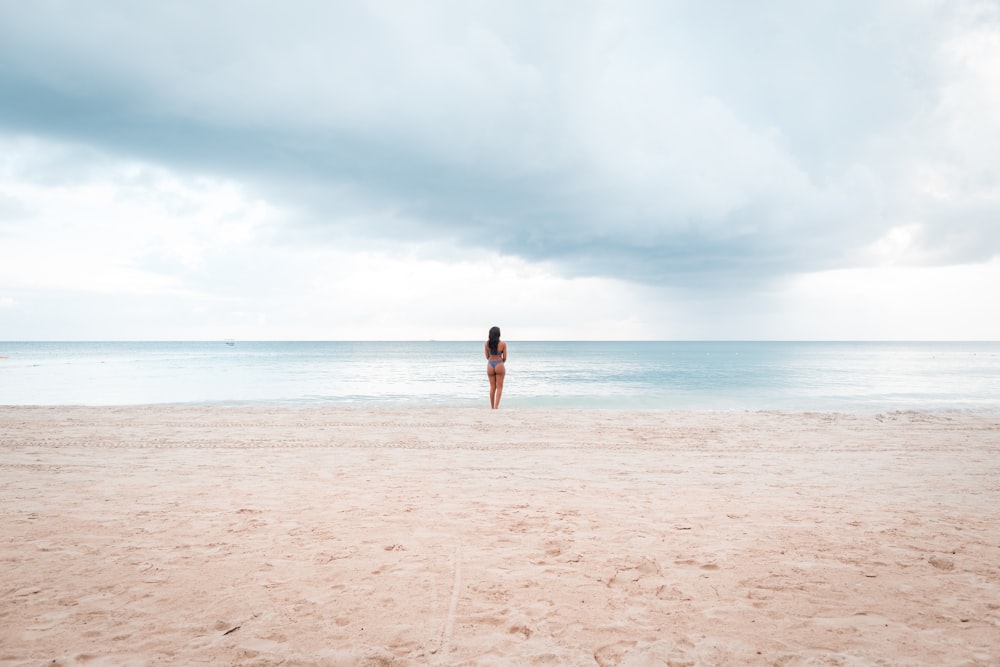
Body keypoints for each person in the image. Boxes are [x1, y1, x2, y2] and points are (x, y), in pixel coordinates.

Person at [485, 326, 507, 409]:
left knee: (492, 387)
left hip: (490, 364)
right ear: (499, 334)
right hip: (499, 364)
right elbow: (505, 358)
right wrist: (500, 362)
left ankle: (492, 407)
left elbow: (487, 356)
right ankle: (496, 407)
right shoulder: (503, 344)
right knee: (499, 387)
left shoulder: (487, 344)